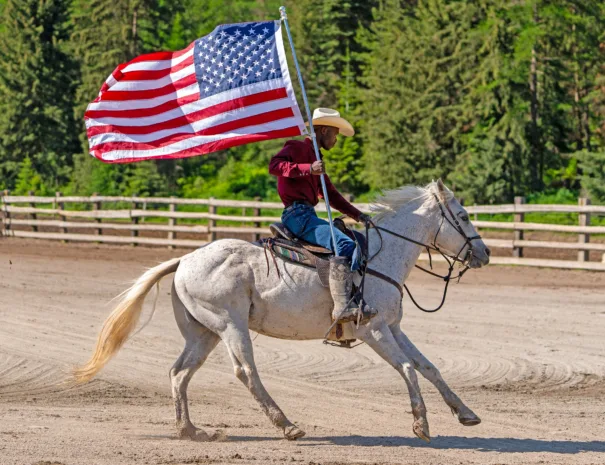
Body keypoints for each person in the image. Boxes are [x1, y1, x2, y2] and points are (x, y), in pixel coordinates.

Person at [269, 108, 377, 324]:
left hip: (305, 214)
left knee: (350, 241)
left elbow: (333, 196)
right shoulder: (297, 147)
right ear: (324, 130)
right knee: (345, 245)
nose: (336, 140)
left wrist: (358, 216)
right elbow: (275, 166)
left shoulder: (317, 160)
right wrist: (308, 168)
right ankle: (343, 305)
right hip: (297, 215)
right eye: (335, 135)